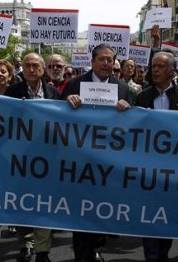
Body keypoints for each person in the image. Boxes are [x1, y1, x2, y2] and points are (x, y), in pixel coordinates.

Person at [62, 43, 132, 262]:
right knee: (81, 210)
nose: (105, 64)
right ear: (92, 61)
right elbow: (56, 115)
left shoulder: (122, 87)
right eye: (101, 59)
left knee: (102, 209)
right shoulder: (75, 83)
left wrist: (127, 107)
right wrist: (67, 102)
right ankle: (82, 255)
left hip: (108, 160)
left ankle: (95, 248)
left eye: (110, 60)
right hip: (80, 159)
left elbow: (134, 123)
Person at [135, 51, 178, 262]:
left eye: (160, 66)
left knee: (167, 215)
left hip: (173, 169)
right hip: (148, 169)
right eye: (153, 66)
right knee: (149, 215)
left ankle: (163, 253)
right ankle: (151, 256)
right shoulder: (142, 96)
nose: (155, 70)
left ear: (171, 70)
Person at [6, 53, 60, 262]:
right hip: (19, 158)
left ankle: (43, 250)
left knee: (44, 203)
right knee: (22, 203)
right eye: (26, 65)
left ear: (43, 68)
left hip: (47, 158)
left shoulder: (54, 93)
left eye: (35, 65)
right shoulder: (12, 92)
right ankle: (26, 242)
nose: (30, 69)